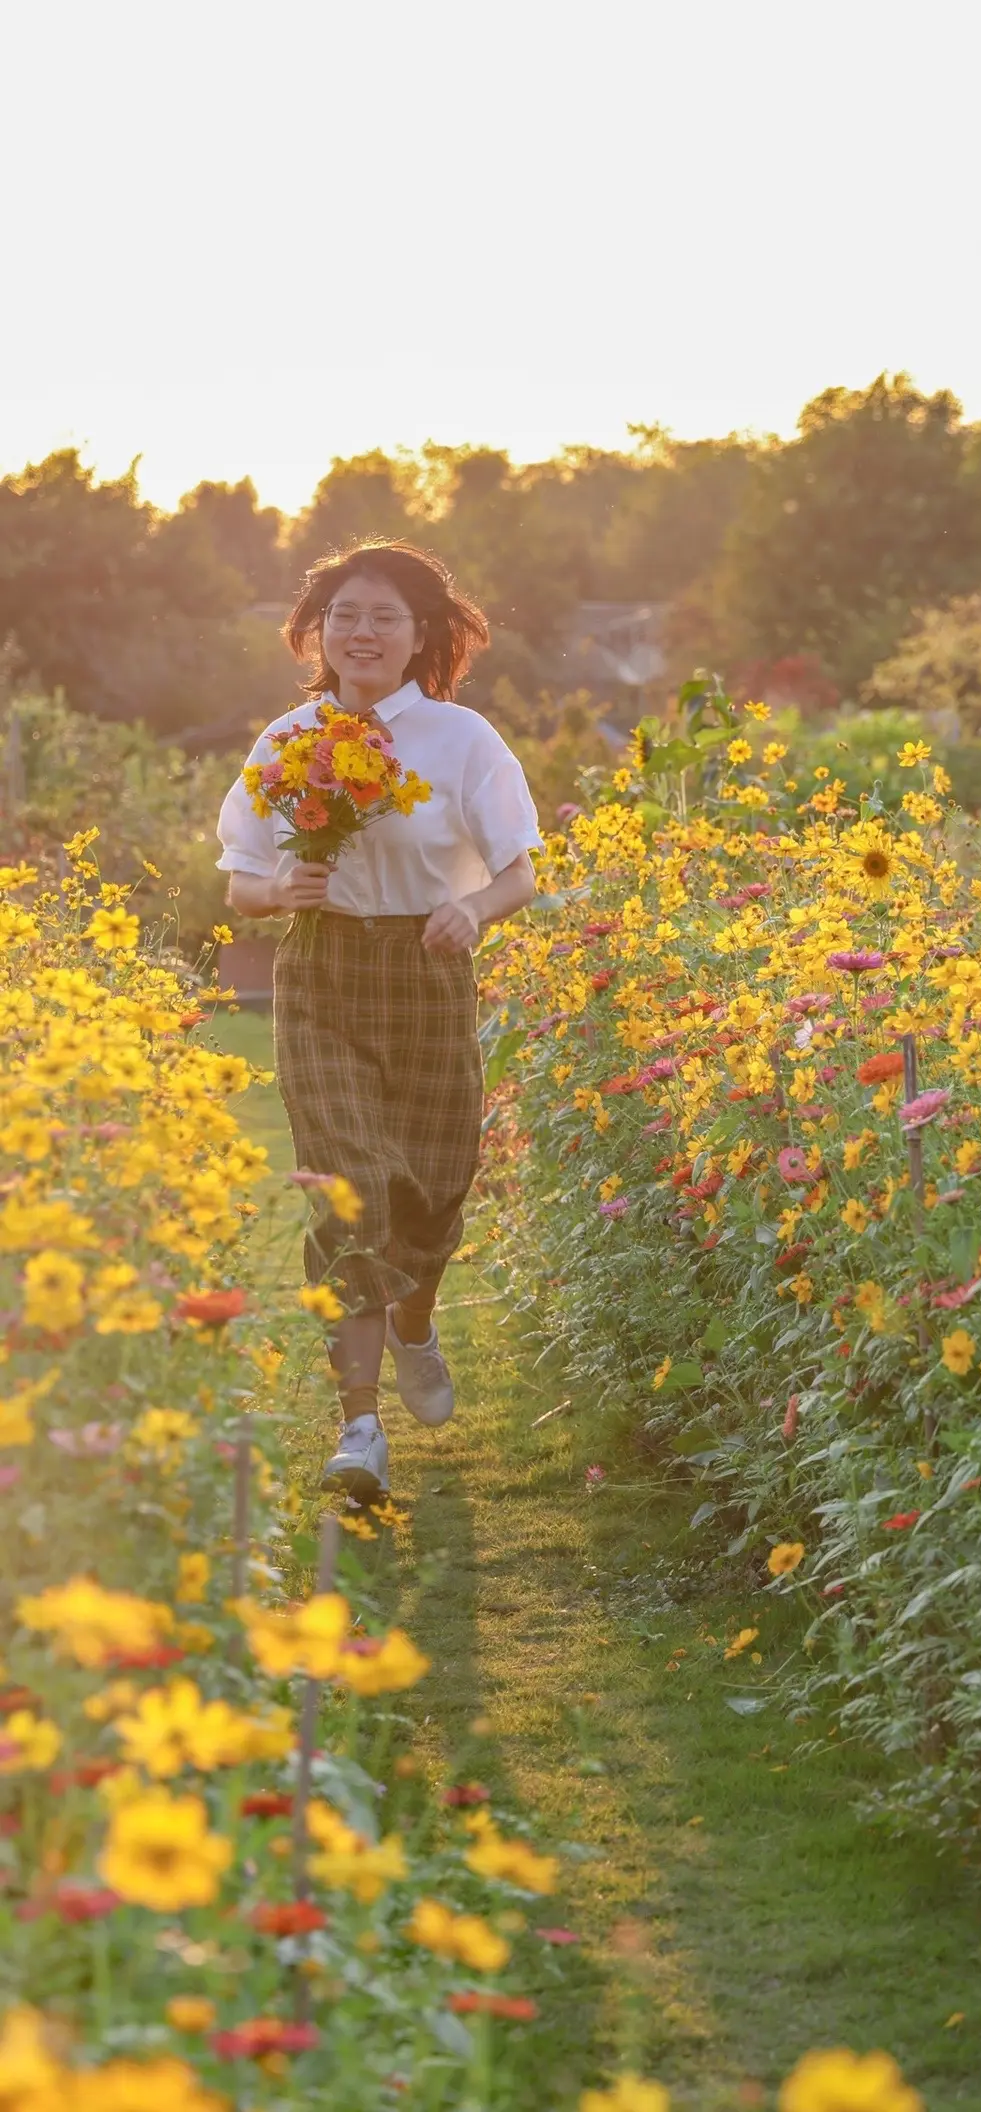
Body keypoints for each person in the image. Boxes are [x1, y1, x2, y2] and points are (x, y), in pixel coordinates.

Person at [216, 540, 541, 1502]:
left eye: (384, 618)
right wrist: (279, 890)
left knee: (435, 1189)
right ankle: (361, 1429)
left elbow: (521, 866)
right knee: (351, 1190)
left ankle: (414, 1322)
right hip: (322, 971)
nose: (362, 633)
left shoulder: (462, 740)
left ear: (420, 636)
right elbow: (238, 878)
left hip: (429, 971)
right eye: (346, 615)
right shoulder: (286, 738)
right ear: (319, 630)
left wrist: (472, 910)